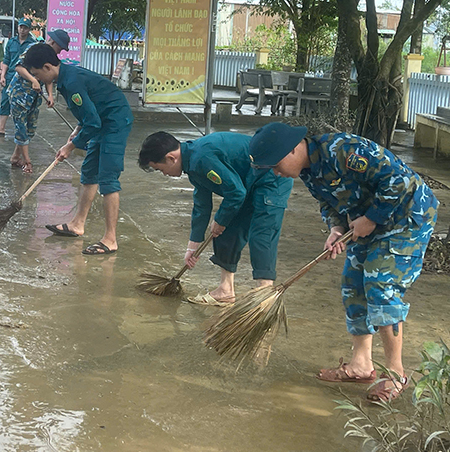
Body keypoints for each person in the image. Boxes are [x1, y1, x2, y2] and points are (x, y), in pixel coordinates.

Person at [249, 122, 439, 402]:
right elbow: (329, 204)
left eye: (275, 166)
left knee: (380, 285)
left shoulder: (345, 151)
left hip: (408, 217)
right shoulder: (308, 172)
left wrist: (372, 218)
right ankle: (361, 364)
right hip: (367, 223)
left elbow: (397, 181)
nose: (276, 173)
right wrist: (336, 230)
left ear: (292, 150)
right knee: (353, 284)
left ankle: (396, 373)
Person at [138, 131, 293, 305]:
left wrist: (219, 220)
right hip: (247, 181)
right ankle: (225, 290)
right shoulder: (192, 162)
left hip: (272, 177)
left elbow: (235, 193)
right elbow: (202, 204)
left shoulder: (201, 158)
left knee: (261, 235)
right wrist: (193, 245)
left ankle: (264, 298)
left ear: (171, 158)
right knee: (227, 231)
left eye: (160, 169)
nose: (164, 174)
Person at [23, 43, 133, 255]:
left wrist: (70, 146)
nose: (37, 79)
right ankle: (77, 224)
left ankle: (110, 239)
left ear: (47, 67)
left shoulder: (71, 82)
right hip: (101, 120)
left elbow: (94, 121)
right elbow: (89, 111)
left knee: (108, 178)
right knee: (89, 172)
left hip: (115, 122)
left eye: (37, 74)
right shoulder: (65, 78)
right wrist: (78, 129)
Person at [5, 32, 65, 173]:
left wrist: (50, 95)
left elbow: (48, 77)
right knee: (21, 129)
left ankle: (15, 157)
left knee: (30, 129)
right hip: (19, 95)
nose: (60, 52)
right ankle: (27, 162)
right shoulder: (33, 49)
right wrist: (33, 80)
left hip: (34, 98)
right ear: (54, 43)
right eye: (60, 48)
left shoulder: (51, 57)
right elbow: (18, 67)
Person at [0, 18, 38, 137]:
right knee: (5, 100)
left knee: (24, 104)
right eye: (21, 27)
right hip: (11, 75)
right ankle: (1, 128)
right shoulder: (11, 42)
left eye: (25, 28)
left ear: (29, 29)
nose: (22, 30)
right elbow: (6, 60)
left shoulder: (33, 44)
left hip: (24, 78)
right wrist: (2, 75)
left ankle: (23, 129)